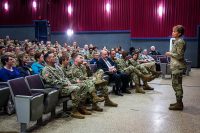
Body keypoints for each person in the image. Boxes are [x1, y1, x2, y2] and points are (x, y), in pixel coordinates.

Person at [41, 52, 88, 119]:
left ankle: (81, 107)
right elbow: (51, 82)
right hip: (58, 89)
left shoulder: (57, 67)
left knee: (83, 85)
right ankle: (74, 111)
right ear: (48, 59)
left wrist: (68, 82)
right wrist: (65, 83)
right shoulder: (46, 70)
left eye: (54, 56)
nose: (55, 57)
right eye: (52, 56)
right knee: (76, 88)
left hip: (65, 86)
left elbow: (64, 77)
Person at [165, 25, 186, 110]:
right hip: (175, 66)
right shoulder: (177, 41)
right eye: (172, 31)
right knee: (176, 84)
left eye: (174, 31)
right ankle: (178, 102)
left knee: (177, 85)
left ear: (179, 33)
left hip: (178, 66)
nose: (172, 32)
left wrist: (170, 54)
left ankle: (179, 104)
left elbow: (180, 56)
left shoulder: (180, 41)